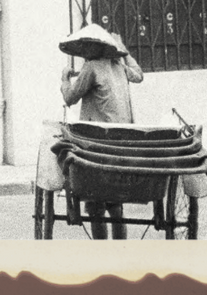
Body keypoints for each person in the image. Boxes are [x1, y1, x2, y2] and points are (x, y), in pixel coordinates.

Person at [59, 22, 144, 239]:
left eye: (88, 46)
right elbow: (139, 74)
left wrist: (64, 80)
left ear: (97, 48)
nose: (85, 51)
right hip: (122, 143)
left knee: (95, 204)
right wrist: (123, 50)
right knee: (115, 205)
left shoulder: (92, 67)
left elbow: (70, 98)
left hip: (97, 142)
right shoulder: (120, 67)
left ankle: (102, 252)